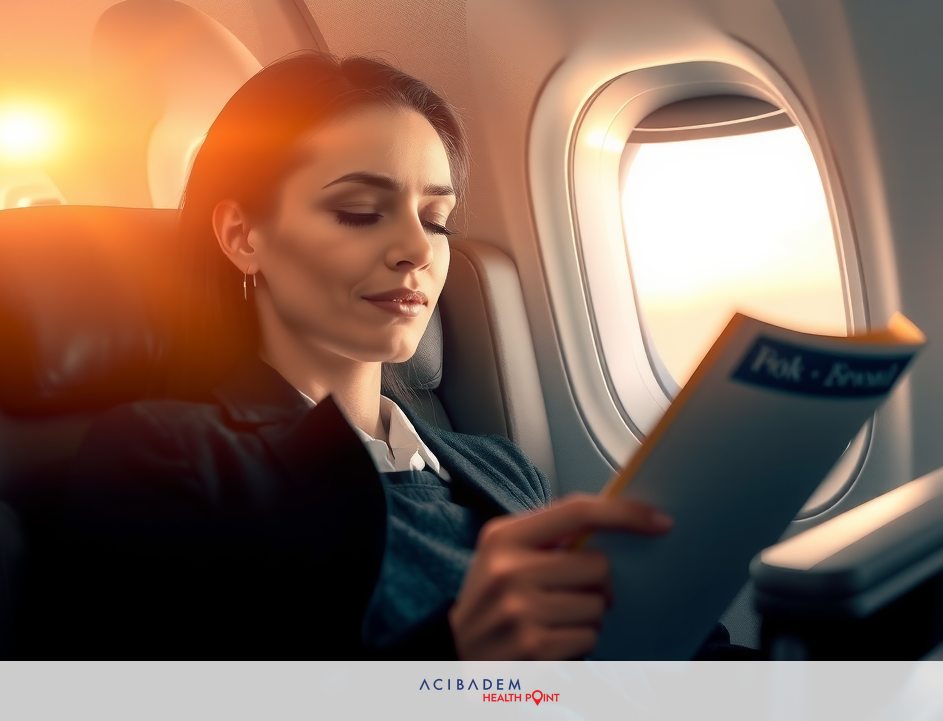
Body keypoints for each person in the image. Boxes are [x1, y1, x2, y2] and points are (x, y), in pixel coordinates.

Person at [51, 52, 685, 660]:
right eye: (359, 212)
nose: (418, 248)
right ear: (243, 236)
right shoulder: (167, 459)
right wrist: (459, 661)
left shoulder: (501, 467)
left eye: (437, 218)